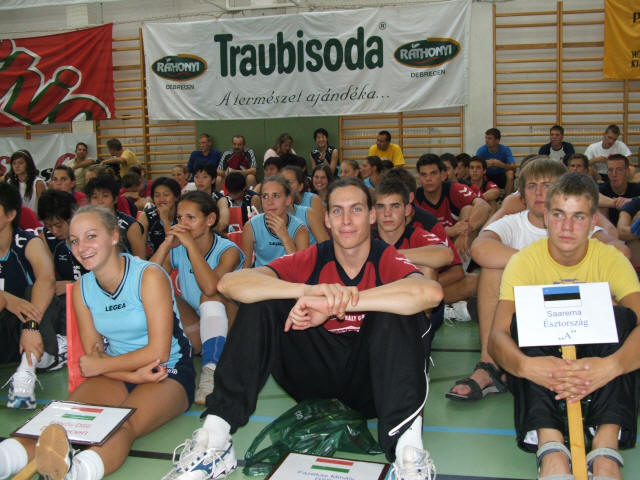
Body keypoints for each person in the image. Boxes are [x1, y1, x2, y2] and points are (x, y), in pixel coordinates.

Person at [163, 178, 443, 480]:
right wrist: (309, 292)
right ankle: (216, 439)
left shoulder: (384, 256)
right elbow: (230, 283)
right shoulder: (313, 256)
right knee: (262, 301)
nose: (346, 220)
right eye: (337, 211)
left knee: (400, 312)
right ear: (327, 219)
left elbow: (430, 293)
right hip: (314, 381)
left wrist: (338, 304)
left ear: (371, 216)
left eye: (356, 210)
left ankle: (408, 452)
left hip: (373, 388)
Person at [0, 204, 195, 480]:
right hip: (119, 372)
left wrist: (101, 366)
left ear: (114, 236)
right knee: (56, 421)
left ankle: (75, 474)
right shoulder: (82, 289)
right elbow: (93, 360)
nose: (82, 248)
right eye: (74, 241)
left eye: (91, 236)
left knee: (119, 426)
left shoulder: (148, 275)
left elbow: (158, 352)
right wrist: (128, 374)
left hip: (167, 371)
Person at [488, 173, 640, 480]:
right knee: (522, 321)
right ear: (546, 217)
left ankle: (606, 447)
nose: (567, 227)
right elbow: (497, 336)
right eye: (559, 215)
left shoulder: (611, 259)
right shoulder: (524, 261)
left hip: (597, 358)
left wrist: (609, 366)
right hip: (546, 359)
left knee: (624, 319)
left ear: (593, 221)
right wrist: (528, 366)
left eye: (578, 217)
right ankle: (551, 447)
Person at [450, 159, 628, 403]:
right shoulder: (514, 222)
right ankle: (490, 364)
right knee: (492, 269)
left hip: (571, 315)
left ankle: (593, 363)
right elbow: (480, 249)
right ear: (522, 195)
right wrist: (538, 265)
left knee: (608, 279)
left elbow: (620, 251)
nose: (540, 192)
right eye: (532, 186)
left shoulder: (573, 223)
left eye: (548, 185)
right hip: (522, 316)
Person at [151, 191, 244, 405]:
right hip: (200, 322)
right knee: (159, 290)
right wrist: (166, 245)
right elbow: (147, 279)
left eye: (190, 218)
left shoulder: (228, 250)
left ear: (210, 219)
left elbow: (210, 288)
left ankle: (210, 373)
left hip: (232, 322)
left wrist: (191, 247)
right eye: (179, 218)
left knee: (210, 296)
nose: (183, 224)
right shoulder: (179, 247)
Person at [0, 183, 60, 410]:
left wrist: (31, 326)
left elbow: (47, 280)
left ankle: (27, 369)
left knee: (35, 292)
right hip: (5, 334)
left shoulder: (28, 243)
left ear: (10, 215)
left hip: (28, 325)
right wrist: (6, 298)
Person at [414, 154, 491, 260]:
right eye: (424, 175)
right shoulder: (415, 198)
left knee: (468, 209)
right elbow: (414, 232)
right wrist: (447, 231)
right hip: (430, 249)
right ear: (419, 178)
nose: (428, 179)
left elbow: (484, 205)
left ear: (443, 175)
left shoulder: (454, 188)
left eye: (433, 173)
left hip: (455, 243)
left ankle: (460, 262)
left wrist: (467, 228)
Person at [374, 179, 454, 279]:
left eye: (395, 206)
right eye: (381, 207)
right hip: (375, 289)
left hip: (409, 287)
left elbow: (447, 255)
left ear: (407, 210)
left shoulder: (416, 234)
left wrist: (389, 255)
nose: (387, 214)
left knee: (426, 269)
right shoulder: (366, 238)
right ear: (373, 211)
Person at [242, 176, 309, 267]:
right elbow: (245, 267)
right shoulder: (251, 226)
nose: (269, 202)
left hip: (288, 275)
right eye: (265, 196)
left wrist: (285, 236)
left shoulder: (300, 229)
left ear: (288, 200)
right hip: (261, 275)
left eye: (276, 196)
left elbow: (301, 268)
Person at [37, 190, 87, 296]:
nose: (54, 231)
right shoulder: (47, 236)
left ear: (73, 217)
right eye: (48, 226)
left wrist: (72, 285)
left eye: (58, 225)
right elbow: (47, 276)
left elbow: (109, 279)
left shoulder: (91, 236)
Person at [85, 175, 146, 259]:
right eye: (95, 197)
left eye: (105, 196)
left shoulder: (129, 225)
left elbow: (141, 260)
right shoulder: (84, 225)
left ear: (115, 199)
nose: (100, 201)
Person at [281, 166, 329, 245]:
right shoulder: (277, 206)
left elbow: (323, 241)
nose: (284, 186)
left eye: (289, 182)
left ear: (300, 186)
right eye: (281, 182)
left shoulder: (313, 200)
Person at [136, 177, 181, 256]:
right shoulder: (146, 216)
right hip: (155, 260)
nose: (161, 199)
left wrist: (165, 220)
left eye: (166, 195)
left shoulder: (184, 215)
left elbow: (175, 248)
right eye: (157, 195)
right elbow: (140, 251)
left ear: (176, 197)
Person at [597, 154, 640, 225]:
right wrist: (616, 203)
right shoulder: (602, 188)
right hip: (608, 228)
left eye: (619, 170)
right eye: (610, 170)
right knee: (600, 207)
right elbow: (590, 196)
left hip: (630, 229)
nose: (614, 174)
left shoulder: (636, 188)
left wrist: (630, 202)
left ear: (627, 172)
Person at [475, 128, 516, 196]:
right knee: (476, 173)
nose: (486, 141)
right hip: (487, 176)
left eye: (489, 138)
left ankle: (507, 198)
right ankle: (479, 196)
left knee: (510, 173)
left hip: (501, 176)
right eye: (486, 138)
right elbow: (474, 166)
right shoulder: (481, 150)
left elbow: (514, 168)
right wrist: (484, 164)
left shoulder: (505, 150)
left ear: (497, 140)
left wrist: (501, 164)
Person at [193, 163, 230, 234]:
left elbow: (223, 223)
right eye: (197, 177)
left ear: (213, 180)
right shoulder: (190, 198)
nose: (200, 180)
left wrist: (203, 232)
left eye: (205, 177)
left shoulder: (220, 199)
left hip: (214, 235)